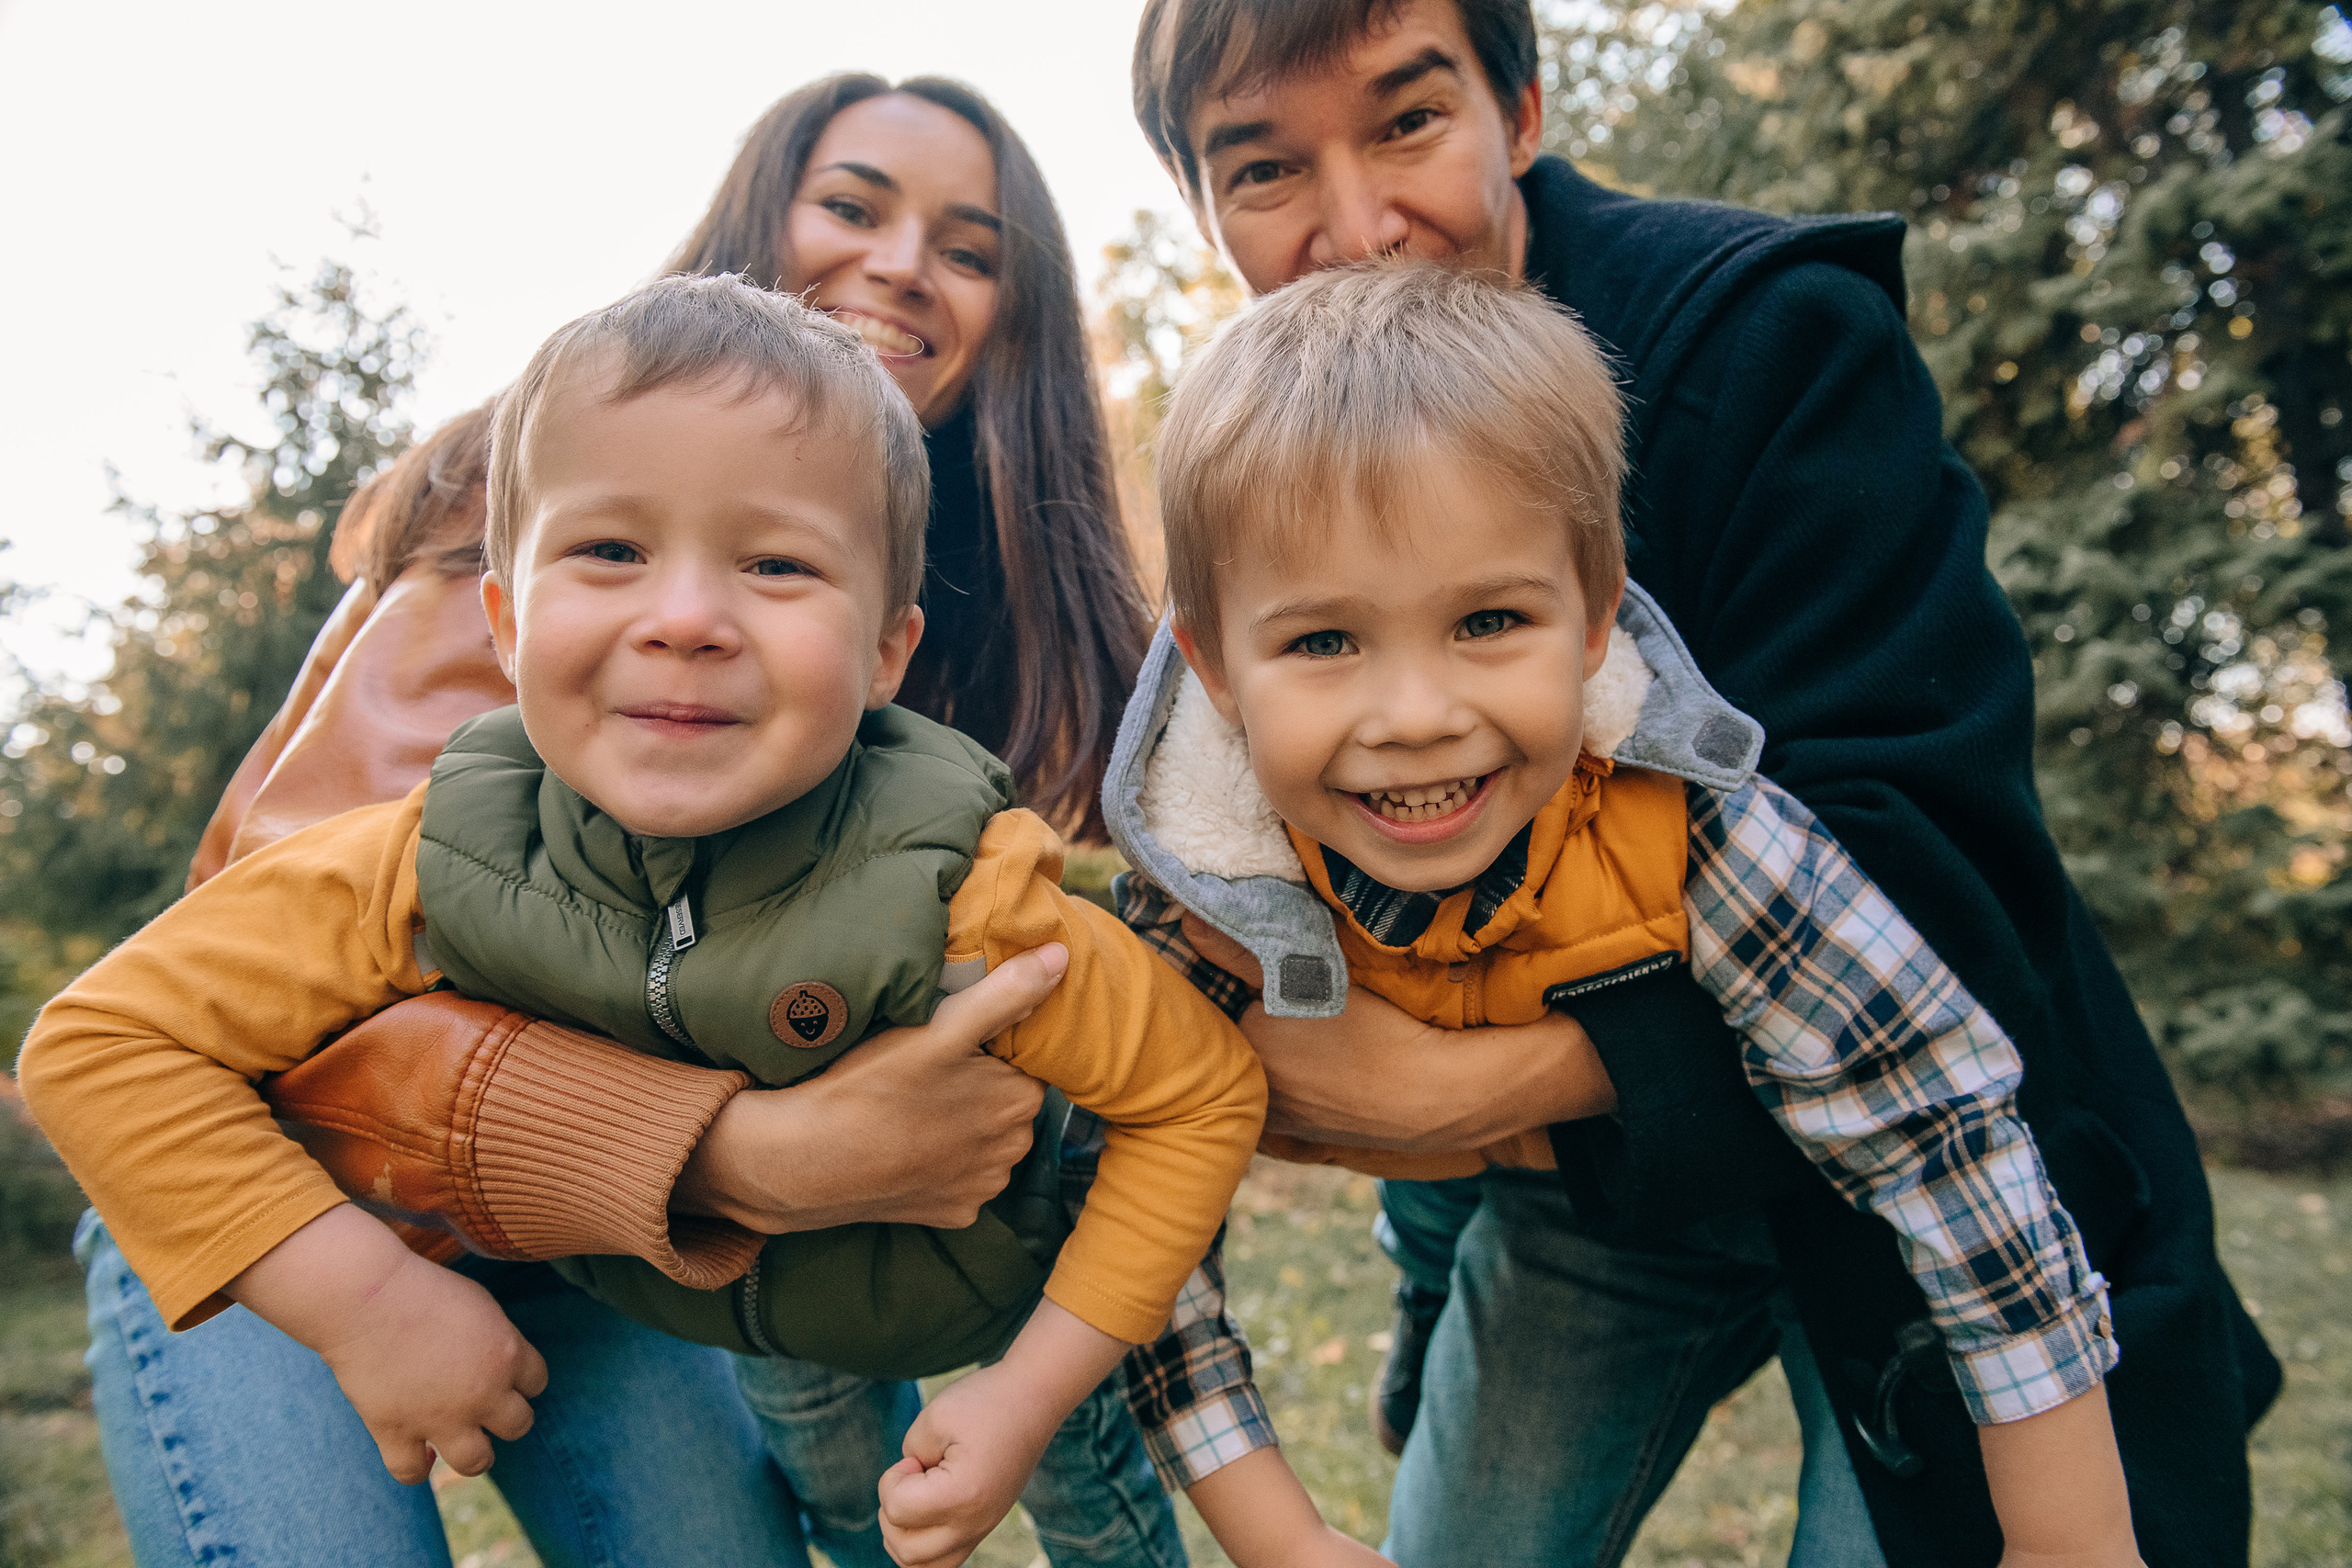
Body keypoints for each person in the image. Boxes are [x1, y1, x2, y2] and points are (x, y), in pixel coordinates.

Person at [1120, 2, 2277, 1564]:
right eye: (1264, 169)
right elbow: (1136, 1139)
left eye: (1407, 122)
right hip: (1595, 1205)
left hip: (1876, 1133)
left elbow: (1928, 921)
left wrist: (1467, 1097)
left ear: (1521, 110)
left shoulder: (1770, 342)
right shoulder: (1265, 502)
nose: (1358, 226)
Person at [19, 273, 1405, 1568]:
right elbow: (100, 1046)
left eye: (777, 569)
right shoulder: (419, 858)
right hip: (331, 1219)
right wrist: (358, 1297)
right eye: (612, 549)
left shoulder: (960, 888)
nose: (685, 617)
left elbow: (1194, 1092)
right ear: (503, 620)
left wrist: (1030, 1391)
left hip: (704, 1287)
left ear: (885, 654)